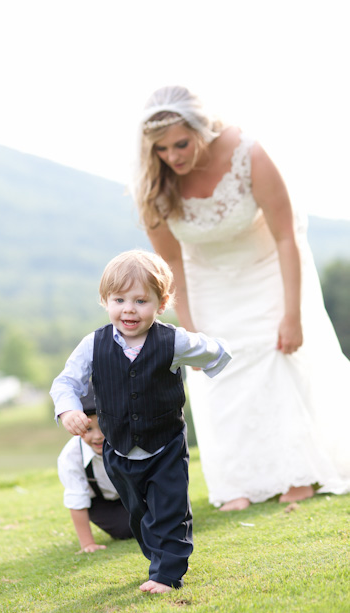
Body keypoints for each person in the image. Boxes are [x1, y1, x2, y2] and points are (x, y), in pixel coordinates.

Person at [134, 85, 350, 511]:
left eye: (181, 143)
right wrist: (190, 330)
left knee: (276, 356)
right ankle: (239, 483)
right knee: (217, 372)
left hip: (269, 268)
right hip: (206, 283)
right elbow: (172, 264)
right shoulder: (154, 187)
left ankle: (299, 474)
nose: (173, 156)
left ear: (201, 130)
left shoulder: (247, 152)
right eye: (161, 149)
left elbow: (286, 235)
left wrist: (293, 314)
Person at [50, 250, 231, 592]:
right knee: (140, 517)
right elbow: (66, 383)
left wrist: (211, 359)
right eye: (119, 300)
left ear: (161, 304)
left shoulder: (173, 340)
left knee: (170, 510)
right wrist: (69, 410)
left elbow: (214, 351)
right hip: (119, 451)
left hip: (165, 445)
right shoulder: (93, 345)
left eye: (140, 300)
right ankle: (157, 560)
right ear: (105, 301)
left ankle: (167, 574)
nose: (129, 309)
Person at [57, 381, 133, 552]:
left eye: (103, 426)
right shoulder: (70, 457)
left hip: (134, 493)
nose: (98, 436)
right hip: (101, 502)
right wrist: (88, 544)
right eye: (88, 429)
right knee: (126, 530)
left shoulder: (128, 439)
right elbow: (77, 500)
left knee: (155, 521)